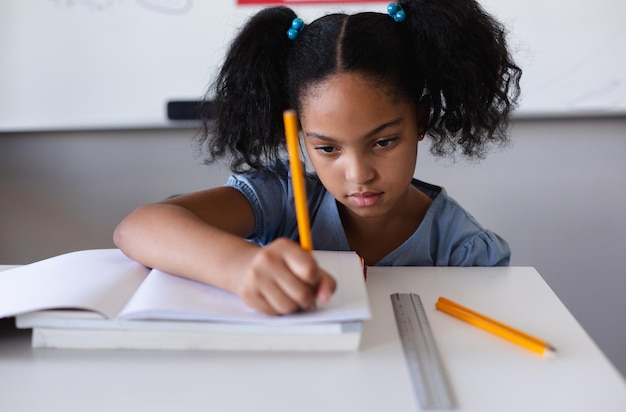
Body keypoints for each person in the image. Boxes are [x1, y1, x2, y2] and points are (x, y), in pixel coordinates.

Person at [114, 1, 522, 316]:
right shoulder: (285, 200)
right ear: (299, 138)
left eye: (383, 142)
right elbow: (137, 228)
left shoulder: (464, 251)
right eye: (327, 149)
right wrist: (238, 267)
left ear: (420, 120)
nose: (358, 174)